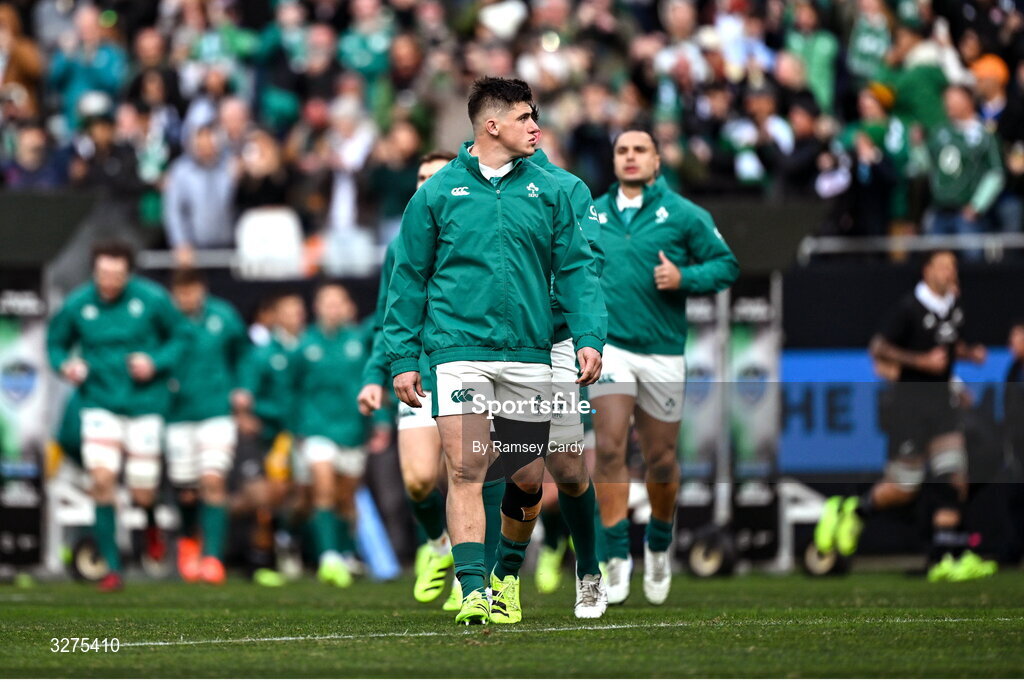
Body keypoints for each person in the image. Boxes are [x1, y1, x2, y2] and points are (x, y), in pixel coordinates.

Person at [383, 77, 604, 625]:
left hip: (531, 351)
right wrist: (402, 358)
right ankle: (474, 589)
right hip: (458, 350)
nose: (536, 127)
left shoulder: (552, 189)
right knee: (466, 468)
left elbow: (578, 270)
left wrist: (589, 338)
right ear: (492, 125)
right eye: (527, 117)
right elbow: (407, 278)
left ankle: (508, 571)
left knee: (527, 475)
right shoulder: (435, 193)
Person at [589, 129, 739, 606]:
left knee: (660, 459)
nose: (630, 158)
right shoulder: (589, 212)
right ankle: (615, 557)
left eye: (639, 150)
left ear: (657, 160)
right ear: (613, 160)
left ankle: (657, 541)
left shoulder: (683, 214)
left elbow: (726, 265)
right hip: (609, 348)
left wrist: (684, 277)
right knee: (609, 448)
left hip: (661, 350)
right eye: (622, 151)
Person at [815, 251, 997, 582]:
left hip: (943, 405)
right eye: (943, 266)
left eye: (953, 267)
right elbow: (879, 348)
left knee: (953, 478)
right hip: (909, 409)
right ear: (927, 271)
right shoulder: (908, 308)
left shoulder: (954, 305)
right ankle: (851, 509)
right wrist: (921, 362)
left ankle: (945, 559)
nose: (949, 273)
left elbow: (949, 345)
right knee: (904, 487)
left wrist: (969, 356)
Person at [46, 241, 190, 592]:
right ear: (94, 271)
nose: (109, 281)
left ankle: (152, 522)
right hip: (99, 402)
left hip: (144, 404)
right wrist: (66, 365)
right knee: (102, 480)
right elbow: (56, 343)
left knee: (142, 493)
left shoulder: (152, 299)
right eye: (104, 273)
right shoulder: (79, 303)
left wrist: (155, 362)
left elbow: (181, 336)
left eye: (117, 274)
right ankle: (112, 568)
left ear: (129, 273)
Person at [358, 150, 466, 609]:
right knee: (421, 481)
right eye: (420, 177)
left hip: (471, 367)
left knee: (467, 478)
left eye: (435, 177)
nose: (425, 185)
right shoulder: (400, 245)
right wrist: (374, 375)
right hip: (419, 374)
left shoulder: (476, 235)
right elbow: (388, 318)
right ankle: (439, 544)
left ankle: (471, 574)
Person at [293, 283, 387, 588]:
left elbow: (376, 380)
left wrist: (381, 422)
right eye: (326, 302)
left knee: (346, 497)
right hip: (316, 429)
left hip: (353, 429)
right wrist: (296, 428)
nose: (332, 308)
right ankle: (328, 556)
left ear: (348, 307)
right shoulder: (304, 344)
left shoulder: (361, 341)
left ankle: (346, 552)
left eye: (338, 302)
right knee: (323, 484)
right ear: (316, 307)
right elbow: (290, 389)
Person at [166, 268, 249, 585]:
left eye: (192, 290)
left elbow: (244, 353)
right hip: (177, 414)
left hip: (216, 412)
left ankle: (213, 557)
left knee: (213, 480)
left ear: (202, 289)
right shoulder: (167, 321)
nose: (187, 297)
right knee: (186, 491)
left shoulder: (223, 316)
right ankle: (189, 540)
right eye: (181, 291)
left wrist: (243, 386)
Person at [914, 85, 1005, 254]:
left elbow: (996, 173)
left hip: (966, 214)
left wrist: (977, 206)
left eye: (953, 99)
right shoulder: (940, 131)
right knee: (934, 260)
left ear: (968, 101)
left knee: (973, 263)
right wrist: (918, 146)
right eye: (946, 100)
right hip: (939, 210)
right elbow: (924, 167)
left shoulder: (985, 135)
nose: (948, 104)